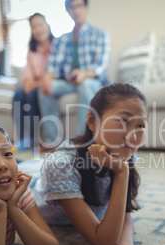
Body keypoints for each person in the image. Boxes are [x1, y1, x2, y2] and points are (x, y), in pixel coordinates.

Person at [32, 83, 148, 245]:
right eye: (123, 121)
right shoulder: (61, 166)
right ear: (92, 121)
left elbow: (124, 210)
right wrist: (121, 172)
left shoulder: (124, 152)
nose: (132, 136)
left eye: (140, 125)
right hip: (42, 197)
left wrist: (126, 244)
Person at [38, 0, 111, 151]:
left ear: (86, 8)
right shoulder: (62, 39)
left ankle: (81, 140)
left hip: (91, 81)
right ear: (68, 11)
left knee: (85, 85)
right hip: (69, 82)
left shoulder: (100, 34)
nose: (76, 11)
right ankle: (53, 141)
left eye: (79, 6)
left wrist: (83, 74)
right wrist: (46, 77)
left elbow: (100, 67)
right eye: (72, 7)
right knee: (45, 88)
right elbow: (54, 66)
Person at [13, 13, 54, 151]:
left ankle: (31, 137)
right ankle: (22, 138)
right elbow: (28, 73)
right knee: (18, 94)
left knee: (31, 95)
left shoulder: (57, 46)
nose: (38, 29)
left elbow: (55, 72)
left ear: (47, 25)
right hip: (35, 83)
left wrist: (35, 84)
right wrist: (28, 82)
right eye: (34, 27)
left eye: (40, 25)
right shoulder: (32, 50)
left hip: (46, 83)